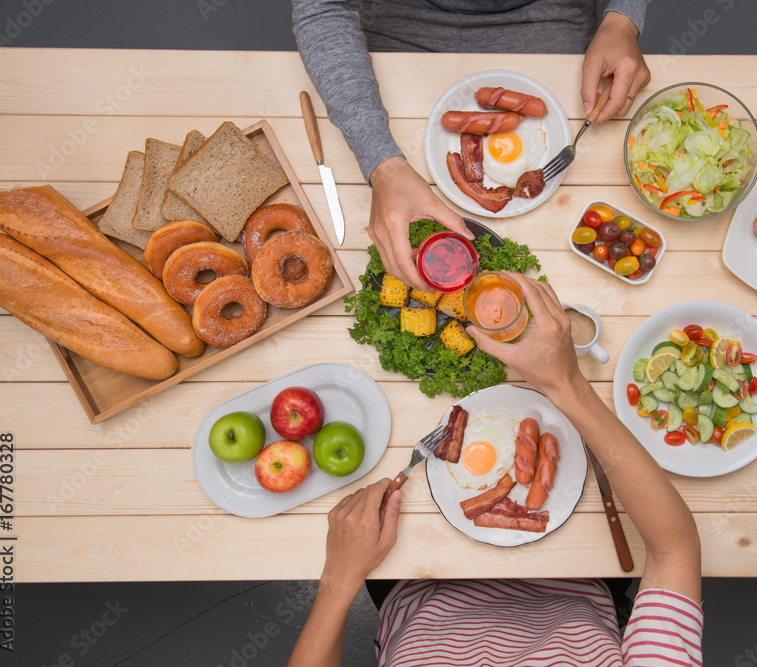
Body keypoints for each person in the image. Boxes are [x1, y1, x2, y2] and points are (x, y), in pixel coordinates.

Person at [287, 275, 703, 666]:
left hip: (411, 590)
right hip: (579, 586)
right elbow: (675, 550)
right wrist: (567, 385)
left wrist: (338, 579)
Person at [292, 0, 652, 291]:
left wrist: (622, 20)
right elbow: (322, 7)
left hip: (549, 21)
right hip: (398, 25)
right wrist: (381, 162)